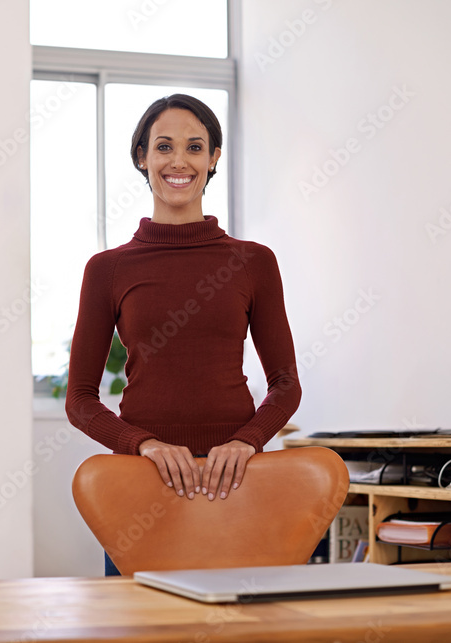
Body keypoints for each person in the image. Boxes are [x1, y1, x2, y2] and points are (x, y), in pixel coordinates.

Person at [65, 94, 302, 574]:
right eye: (164, 147)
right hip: (138, 487)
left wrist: (247, 442)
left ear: (213, 159)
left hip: (235, 482)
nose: (179, 161)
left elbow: (286, 383)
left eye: (195, 147)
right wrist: (145, 445)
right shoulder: (107, 269)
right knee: (139, 627)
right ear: (142, 157)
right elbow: (80, 400)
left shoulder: (253, 261)